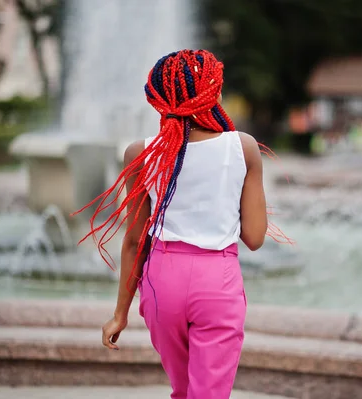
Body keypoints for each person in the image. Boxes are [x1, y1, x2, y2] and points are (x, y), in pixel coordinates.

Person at [73, 49, 285, 399]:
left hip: (162, 283)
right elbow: (255, 237)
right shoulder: (242, 147)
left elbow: (133, 241)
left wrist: (119, 314)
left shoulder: (141, 152)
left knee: (184, 389)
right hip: (216, 281)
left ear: (157, 99)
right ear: (213, 93)